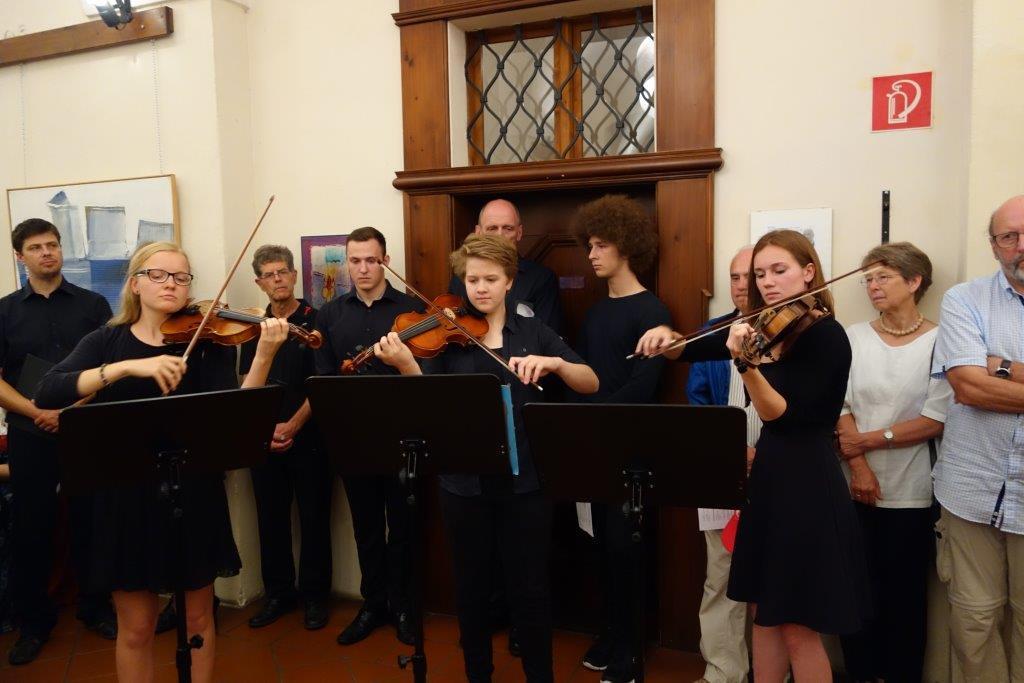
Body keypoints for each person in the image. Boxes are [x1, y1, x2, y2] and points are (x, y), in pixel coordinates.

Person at [33, 241, 288, 682]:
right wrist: (125, 368)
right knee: (136, 628)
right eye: (158, 274)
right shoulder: (107, 340)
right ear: (135, 283)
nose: (171, 283)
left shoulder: (206, 342)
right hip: (127, 498)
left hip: (194, 492)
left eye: (181, 276)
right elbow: (47, 391)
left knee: (198, 620)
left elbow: (236, 420)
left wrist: (264, 354)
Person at [636, 229, 869, 682]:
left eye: (779, 270)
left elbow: (783, 416)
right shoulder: (763, 326)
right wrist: (668, 338)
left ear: (808, 271)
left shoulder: (826, 335)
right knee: (764, 613)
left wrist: (745, 365)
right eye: (760, 274)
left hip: (806, 482)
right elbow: (690, 349)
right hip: (769, 476)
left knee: (797, 626)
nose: (766, 282)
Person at [376, 233, 599, 683]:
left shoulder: (533, 332)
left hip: (527, 484)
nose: (480, 288)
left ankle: (540, 676)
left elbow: (590, 381)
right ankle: (478, 674)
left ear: (509, 282)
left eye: (490, 279)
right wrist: (406, 365)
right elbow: (428, 406)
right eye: (472, 279)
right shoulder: (447, 335)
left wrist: (555, 364)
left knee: (530, 590)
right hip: (464, 485)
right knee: (471, 589)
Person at [0, 218, 115, 665]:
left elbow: (108, 369)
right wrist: (38, 413)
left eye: (52, 244)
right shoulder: (5, 311)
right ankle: (33, 623)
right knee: (31, 526)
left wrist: (69, 411)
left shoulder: (92, 304)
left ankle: (95, 607)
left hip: (84, 427)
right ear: (20, 256)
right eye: (35, 247)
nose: (46, 253)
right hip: (28, 432)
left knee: (93, 519)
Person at [835, 242, 951, 682]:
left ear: (914, 281)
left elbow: (934, 419)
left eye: (883, 277)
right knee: (855, 593)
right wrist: (860, 467)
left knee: (905, 598)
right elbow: (840, 405)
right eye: (868, 279)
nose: (873, 286)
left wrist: (865, 441)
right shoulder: (853, 336)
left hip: (913, 491)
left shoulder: (942, 340)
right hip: (852, 486)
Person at [569, 195, 669, 683]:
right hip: (595, 448)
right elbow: (585, 375)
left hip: (631, 450)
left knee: (627, 549)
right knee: (602, 549)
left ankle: (631, 650)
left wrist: (596, 418)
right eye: (589, 245)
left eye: (601, 245)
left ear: (626, 246)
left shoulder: (652, 309)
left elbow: (644, 386)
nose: (591, 255)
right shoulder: (593, 314)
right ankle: (610, 634)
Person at [931, 195, 1024, 681]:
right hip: (971, 492)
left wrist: (1003, 367)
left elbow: (986, 379)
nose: (1021, 246)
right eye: (1009, 236)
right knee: (974, 622)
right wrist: (986, 376)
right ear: (993, 245)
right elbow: (968, 386)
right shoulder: (964, 299)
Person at [314, 226, 422, 646]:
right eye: (354, 260)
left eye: (371, 260)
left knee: (404, 528)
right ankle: (373, 604)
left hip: (403, 437)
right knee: (366, 528)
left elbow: (426, 379)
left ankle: (404, 606)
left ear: (385, 262)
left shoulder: (412, 311)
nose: (362, 269)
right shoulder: (330, 314)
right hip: (355, 437)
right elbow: (324, 377)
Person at [240, 245, 332, 631]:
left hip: (309, 437)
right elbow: (245, 384)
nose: (277, 279)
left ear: (294, 276)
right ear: (259, 282)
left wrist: (292, 425)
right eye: (269, 274)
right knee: (270, 519)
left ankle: (315, 597)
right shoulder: (251, 328)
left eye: (283, 272)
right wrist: (265, 430)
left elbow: (324, 383)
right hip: (263, 439)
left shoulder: (317, 321)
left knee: (314, 519)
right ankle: (278, 594)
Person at [687, 245, 755, 683]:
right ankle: (723, 671)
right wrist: (730, 449)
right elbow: (697, 403)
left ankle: (775, 671)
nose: (743, 285)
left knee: (776, 579)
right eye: (735, 277)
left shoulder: (797, 331)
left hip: (777, 468)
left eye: (752, 275)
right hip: (722, 468)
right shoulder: (712, 333)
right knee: (721, 576)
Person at [449, 198, 563, 334]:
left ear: (519, 233)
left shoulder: (541, 278)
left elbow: (547, 334)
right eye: (492, 228)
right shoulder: (461, 277)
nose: (499, 235)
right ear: (478, 232)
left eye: (508, 228)